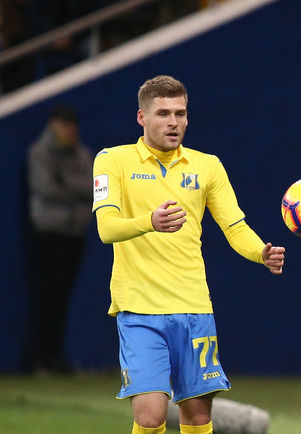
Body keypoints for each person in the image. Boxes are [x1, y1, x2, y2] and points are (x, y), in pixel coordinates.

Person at [92, 75, 285, 434]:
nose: (173, 122)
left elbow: (234, 227)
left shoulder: (207, 166)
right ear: (142, 118)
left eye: (180, 113)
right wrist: (151, 221)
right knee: (150, 415)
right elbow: (107, 228)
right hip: (139, 309)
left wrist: (261, 252)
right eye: (163, 113)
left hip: (194, 307)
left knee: (197, 416)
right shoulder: (111, 161)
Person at [26, 104, 93, 374]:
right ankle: (43, 358)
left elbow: (93, 188)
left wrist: (65, 182)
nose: (69, 130)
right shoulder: (40, 152)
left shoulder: (82, 153)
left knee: (64, 298)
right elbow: (45, 188)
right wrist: (71, 188)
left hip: (75, 233)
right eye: (64, 123)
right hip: (49, 232)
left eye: (72, 124)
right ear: (53, 124)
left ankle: (56, 357)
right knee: (49, 296)